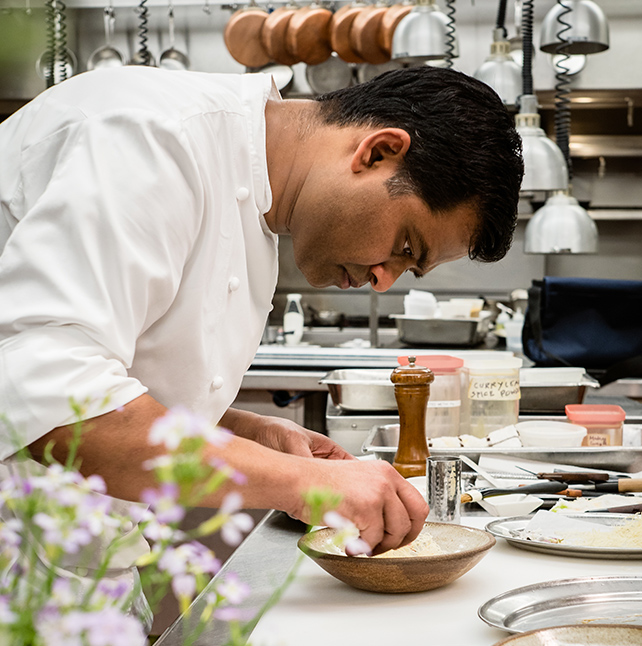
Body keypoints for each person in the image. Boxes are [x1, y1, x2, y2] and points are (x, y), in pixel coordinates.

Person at [0, 65, 523, 562]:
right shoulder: (151, 140)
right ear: (378, 152)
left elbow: (115, 381)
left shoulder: (259, 207)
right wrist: (304, 484)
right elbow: (56, 409)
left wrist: (242, 433)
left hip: (80, 574)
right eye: (406, 245)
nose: (384, 279)